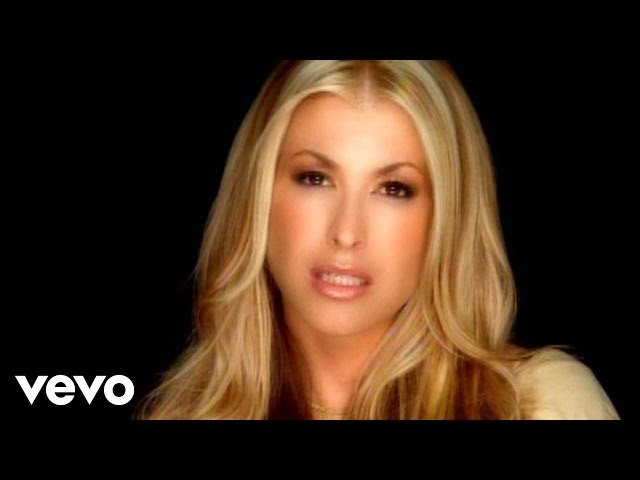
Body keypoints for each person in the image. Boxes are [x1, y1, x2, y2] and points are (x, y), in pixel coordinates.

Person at [140, 60, 619, 420]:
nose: (347, 232)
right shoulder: (185, 412)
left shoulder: (539, 404)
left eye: (394, 189)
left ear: (445, 217)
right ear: (258, 196)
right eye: (314, 178)